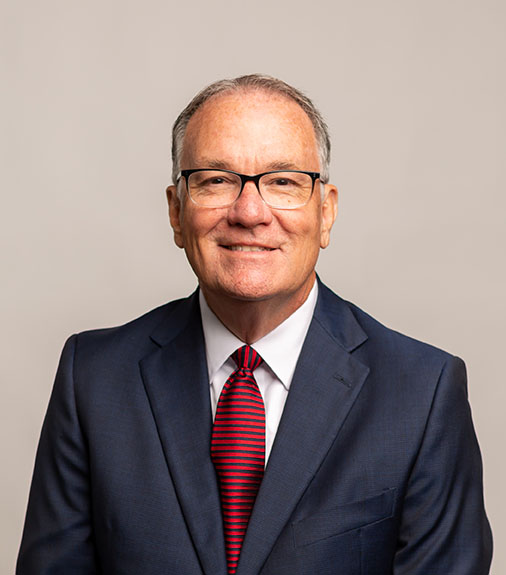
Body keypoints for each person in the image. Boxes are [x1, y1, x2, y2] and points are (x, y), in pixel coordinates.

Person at [17, 74, 492, 575]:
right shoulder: (93, 379)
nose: (249, 212)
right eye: (216, 180)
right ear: (176, 213)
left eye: (283, 181)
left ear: (326, 212)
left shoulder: (422, 393)